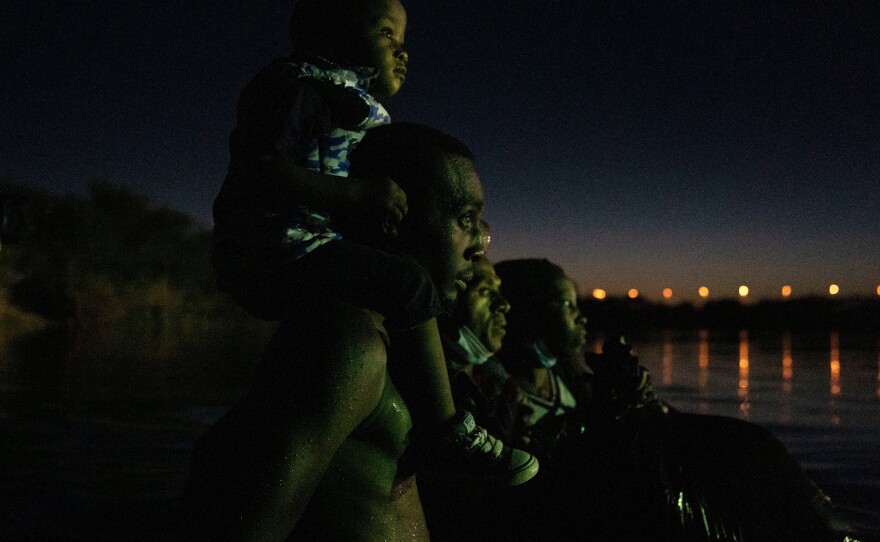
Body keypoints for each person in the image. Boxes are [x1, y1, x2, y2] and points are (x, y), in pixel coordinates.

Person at [210, 0, 535, 488]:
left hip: (311, 244)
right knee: (408, 282)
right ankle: (447, 430)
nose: (402, 51)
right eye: (387, 34)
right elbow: (259, 170)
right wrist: (354, 194)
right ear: (326, 30)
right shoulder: (296, 87)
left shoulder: (347, 99)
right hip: (285, 248)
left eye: (404, 40)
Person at [179, 123, 538, 541]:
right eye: (464, 218)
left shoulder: (402, 346)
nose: (481, 245)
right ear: (391, 218)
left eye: (481, 223)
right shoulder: (348, 344)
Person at [491, 258, 856, 541]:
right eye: (566, 306)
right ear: (529, 311)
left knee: (747, 452)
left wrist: (641, 402)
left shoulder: (572, 381)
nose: (581, 317)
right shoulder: (503, 396)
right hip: (591, 513)